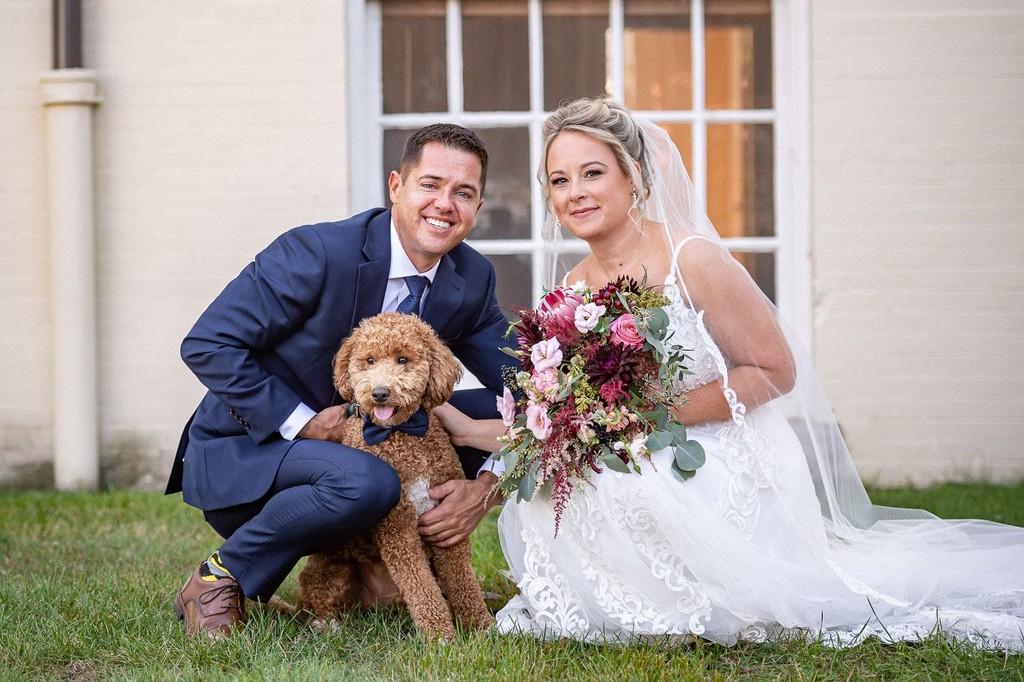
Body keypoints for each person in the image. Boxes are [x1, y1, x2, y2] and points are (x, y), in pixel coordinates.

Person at [433, 98, 1024, 650]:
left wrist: (647, 416)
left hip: (716, 446)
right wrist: (467, 425)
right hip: (631, 438)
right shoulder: (573, 287)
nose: (575, 193)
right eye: (559, 181)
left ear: (633, 176)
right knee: (559, 489)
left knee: (625, 481)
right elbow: (567, 414)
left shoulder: (694, 259)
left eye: (592, 173)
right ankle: (614, 603)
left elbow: (774, 370)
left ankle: (678, 601)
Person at [166, 124, 508, 639]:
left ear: (478, 206)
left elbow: (531, 388)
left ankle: (375, 572)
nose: (445, 204)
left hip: (375, 439)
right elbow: (208, 343)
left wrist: (486, 486)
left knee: (496, 409)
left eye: (464, 192)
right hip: (254, 451)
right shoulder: (318, 251)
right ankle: (219, 577)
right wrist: (301, 423)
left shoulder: (470, 277)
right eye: (430, 184)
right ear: (396, 186)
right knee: (368, 481)